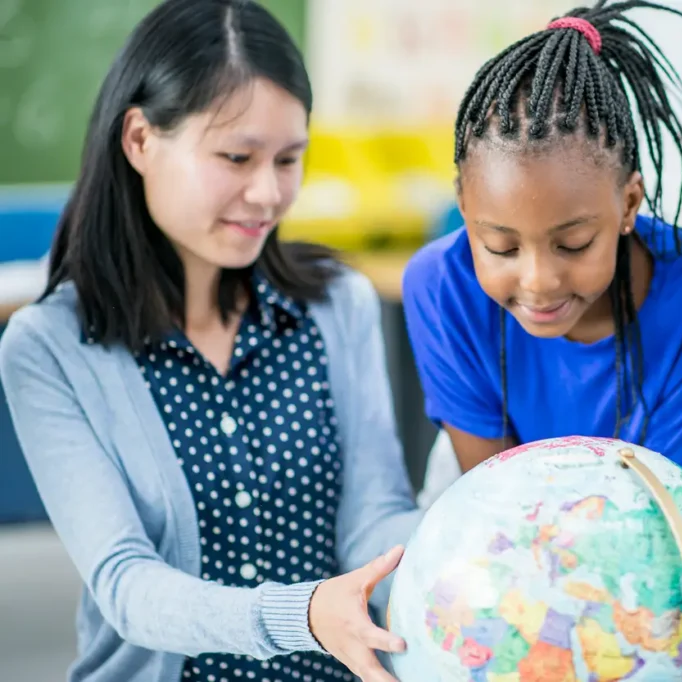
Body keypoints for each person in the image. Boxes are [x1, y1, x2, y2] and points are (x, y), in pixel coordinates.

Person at [0, 1, 422, 681]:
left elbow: (373, 519)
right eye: (236, 157)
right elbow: (127, 585)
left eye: (290, 159)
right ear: (139, 139)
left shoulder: (337, 305)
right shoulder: (48, 346)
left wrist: (460, 552)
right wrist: (302, 615)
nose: (267, 192)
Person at [401, 1, 682, 487]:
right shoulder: (439, 287)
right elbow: (494, 499)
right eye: (500, 246)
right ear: (464, 208)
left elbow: (671, 504)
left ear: (629, 204)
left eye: (574, 244)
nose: (539, 282)